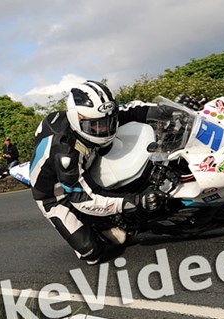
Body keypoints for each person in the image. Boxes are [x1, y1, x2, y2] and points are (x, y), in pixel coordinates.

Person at [29, 80, 164, 265]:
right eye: (95, 126)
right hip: (58, 195)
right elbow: (82, 199)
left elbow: (133, 110)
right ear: (78, 120)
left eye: (108, 122)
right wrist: (134, 201)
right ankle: (98, 227)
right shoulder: (65, 152)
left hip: (86, 166)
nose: (104, 130)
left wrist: (166, 111)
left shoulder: (96, 114)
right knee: (92, 253)